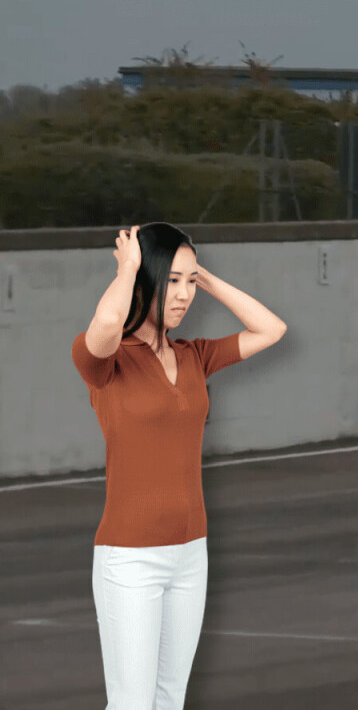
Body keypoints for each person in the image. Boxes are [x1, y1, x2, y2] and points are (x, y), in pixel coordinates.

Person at [71, 222, 287, 709]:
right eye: (172, 280)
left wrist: (205, 278)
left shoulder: (195, 356)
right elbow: (105, 325)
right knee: (131, 704)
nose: (184, 294)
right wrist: (127, 269)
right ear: (144, 278)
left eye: (190, 282)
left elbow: (271, 329)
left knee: (169, 701)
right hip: (130, 559)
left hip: (191, 553)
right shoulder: (105, 362)